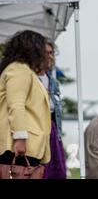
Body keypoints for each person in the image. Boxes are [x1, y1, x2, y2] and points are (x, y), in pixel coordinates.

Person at [0, 30, 51, 169]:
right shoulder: (19, 69)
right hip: (19, 146)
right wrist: (20, 138)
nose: (47, 56)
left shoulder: (22, 70)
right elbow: (16, 105)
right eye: (43, 51)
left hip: (25, 145)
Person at [37, 42, 67, 179]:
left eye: (51, 53)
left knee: (57, 172)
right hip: (37, 132)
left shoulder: (53, 82)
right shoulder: (30, 79)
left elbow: (55, 112)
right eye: (46, 52)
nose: (49, 56)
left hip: (53, 132)